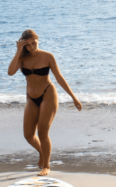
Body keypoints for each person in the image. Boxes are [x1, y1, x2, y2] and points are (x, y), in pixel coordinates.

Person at [8, 29, 82, 176]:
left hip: (48, 94)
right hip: (31, 98)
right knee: (28, 135)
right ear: (22, 45)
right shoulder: (22, 58)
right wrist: (18, 52)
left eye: (34, 43)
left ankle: (46, 166)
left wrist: (73, 97)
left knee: (42, 132)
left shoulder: (47, 56)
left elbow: (59, 78)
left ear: (38, 40)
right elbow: (10, 72)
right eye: (27, 45)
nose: (32, 47)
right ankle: (42, 152)